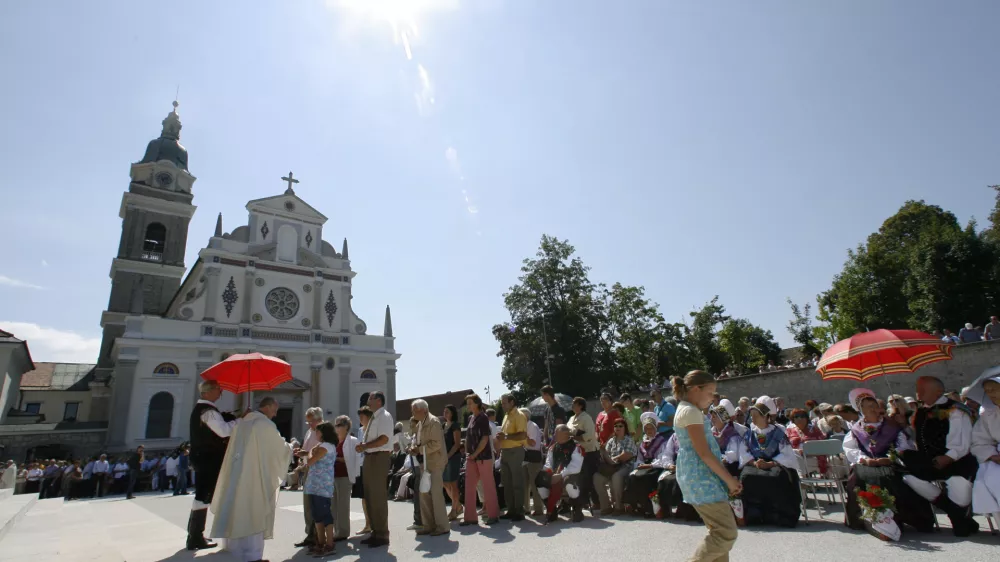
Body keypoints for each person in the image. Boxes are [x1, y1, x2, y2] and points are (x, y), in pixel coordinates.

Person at [209, 397, 292, 562]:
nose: (275, 415)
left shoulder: (242, 422)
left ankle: (236, 550)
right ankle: (253, 555)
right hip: (255, 476)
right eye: (275, 410)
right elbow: (279, 448)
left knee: (238, 510)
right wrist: (291, 447)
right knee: (255, 512)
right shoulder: (264, 425)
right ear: (267, 407)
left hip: (238, 475)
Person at [672, 370, 742, 562]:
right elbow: (703, 453)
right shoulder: (690, 411)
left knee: (718, 533)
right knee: (726, 533)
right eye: (710, 392)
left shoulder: (687, 409)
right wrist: (729, 480)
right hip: (701, 478)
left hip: (698, 476)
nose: (713, 398)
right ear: (696, 388)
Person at [842, 387, 932, 534]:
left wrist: (891, 457)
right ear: (861, 410)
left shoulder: (892, 425)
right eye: (868, 406)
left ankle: (901, 517)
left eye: (874, 405)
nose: (872, 409)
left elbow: (904, 445)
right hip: (867, 464)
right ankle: (869, 517)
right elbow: (850, 449)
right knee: (859, 477)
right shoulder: (856, 430)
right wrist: (865, 460)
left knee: (896, 477)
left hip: (891, 462)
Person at [901, 376, 980, 536]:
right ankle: (954, 512)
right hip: (930, 461)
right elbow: (918, 437)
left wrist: (949, 457)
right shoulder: (920, 412)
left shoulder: (956, 410)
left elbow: (962, 441)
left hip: (956, 461)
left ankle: (959, 518)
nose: (918, 393)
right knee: (907, 476)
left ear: (938, 392)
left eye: (922, 389)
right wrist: (903, 424)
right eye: (918, 389)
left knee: (957, 482)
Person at [187, 380, 240, 551]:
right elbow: (223, 431)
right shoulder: (208, 411)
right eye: (218, 390)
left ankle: (194, 534)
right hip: (209, 458)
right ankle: (195, 537)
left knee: (202, 495)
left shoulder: (204, 410)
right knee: (203, 495)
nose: (221, 392)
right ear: (207, 392)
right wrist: (238, 421)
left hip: (203, 457)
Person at [737, 398, 801, 527]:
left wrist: (771, 464)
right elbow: (743, 452)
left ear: (766, 417)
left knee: (778, 477)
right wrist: (754, 463)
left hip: (776, 464)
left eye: (756, 416)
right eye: (752, 416)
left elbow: (787, 454)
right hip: (755, 464)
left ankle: (779, 515)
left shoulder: (778, 433)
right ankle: (754, 515)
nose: (752, 419)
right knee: (747, 477)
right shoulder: (749, 434)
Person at [356, 390, 394, 548]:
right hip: (370, 457)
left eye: (371, 398)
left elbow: (384, 439)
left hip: (379, 456)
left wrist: (365, 446)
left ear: (379, 401)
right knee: (370, 496)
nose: (368, 400)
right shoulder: (373, 417)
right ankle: (375, 531)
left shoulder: (384, 416)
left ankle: (382, 534)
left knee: (377, 496)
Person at [410, 399, 450, 536]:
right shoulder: (420, 423)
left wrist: (419, 450)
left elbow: (436, 444)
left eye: (415, 410)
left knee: (436, 494)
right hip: (425, 463)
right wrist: (414, 448)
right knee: (424, 493)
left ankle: (442, 526)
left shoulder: (433, 422)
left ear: (424, 411)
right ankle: (428, 525)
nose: (413, 413)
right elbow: (419, 441)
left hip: (435, 462)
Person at [462, 393, 500, 527]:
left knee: (487, 485)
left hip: (484, 457)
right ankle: (470, 517)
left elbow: (484, 439)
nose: (468, 405)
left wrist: (475, 453)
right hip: (472, 458)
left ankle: (493, 515)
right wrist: (468, 453)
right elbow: (468, 437)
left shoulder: (483, 418)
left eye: (470, 403)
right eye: (468, 403)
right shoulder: (471, 418)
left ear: (477, 403)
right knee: (469, 486)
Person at [301, 421, 338, 557]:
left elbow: (310, 461)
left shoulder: (326, 446)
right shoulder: (323, 445)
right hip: (315, 485)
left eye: (318, 431)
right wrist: (312, 451)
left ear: (324, 433)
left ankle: (329, 544)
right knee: (317, 515)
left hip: (322, 486)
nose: (315, 433)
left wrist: (311, 452)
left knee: (324, 514)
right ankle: (321, 543)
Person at [537, 424, 586, 523]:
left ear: (565, 435)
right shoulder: (553, 447)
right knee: (540, 480)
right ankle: (552, 510)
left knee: (569, 484)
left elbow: (575, 467)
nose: (554, 435)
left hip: (574, 475)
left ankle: (578, 511)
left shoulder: (576, 447)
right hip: (556, 474)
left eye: (556, 433)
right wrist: (549, 473)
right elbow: (548, 463)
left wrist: (560, 475)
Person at [970, 369, 1000, 521]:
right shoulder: (987, 413)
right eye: (987, 391)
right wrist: (993, 456)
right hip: (997, 457)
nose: (991, 394)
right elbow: (979, 440)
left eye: (994, 389)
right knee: (987, 480)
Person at [293, 407, 324, 549]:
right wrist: (301, 454)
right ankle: (310, 535)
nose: (309, 424)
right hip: (308, 469)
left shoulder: (324, 432)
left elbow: (320, 452)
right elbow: (307, 450)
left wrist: (305, 453)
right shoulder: (309, 432)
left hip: (319, 471)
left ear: (319, 420)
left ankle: (319, 536)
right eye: (308, 422)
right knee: (307, 504)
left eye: (311, 421)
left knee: (316, 504)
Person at [625, 414, 668, 517]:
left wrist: (649, 466)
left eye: (651, 428)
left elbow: (662, 459)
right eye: (646, 428)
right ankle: (637, 505)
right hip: (644, 466)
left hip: (656, 467)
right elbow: (639, 458)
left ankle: (651, 508)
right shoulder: (642, 443)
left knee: (644, 477)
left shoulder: (662, 441)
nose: (649, 430)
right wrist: (640, 465)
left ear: (655, 428)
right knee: (632, 476)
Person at [593, 417, 636, 515]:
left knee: (616, 477)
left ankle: (618, 506)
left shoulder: (629, 440)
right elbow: (606, 454)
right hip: (611, 467)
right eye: (616, 426)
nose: (618, 427)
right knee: (597, 477)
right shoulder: (611, 441)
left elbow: (627, 456)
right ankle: (606, 506)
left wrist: (613, 459)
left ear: (625, 428)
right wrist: (603, 453)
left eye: (620, 426)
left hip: (626, 466)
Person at [497, 393, 528, 521]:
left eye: (504, 403)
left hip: (516, 451)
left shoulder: (519, 415)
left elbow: (522, 435)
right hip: (505, 452)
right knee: (507, 483)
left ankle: (519, 511)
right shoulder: (506, 416)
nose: (502, 405)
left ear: (512, 402)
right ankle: (511, 510)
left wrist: (506, 437)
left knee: (517, 483)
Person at [566, 396, 600, 513]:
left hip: (589, 452)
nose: (572, 406)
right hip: (577, 452)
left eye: (574, 404)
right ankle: (583, 501)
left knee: (589, 478)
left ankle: (597, 502)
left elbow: (589, 436)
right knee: (580, 477)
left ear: (580, 405)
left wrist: (574, 437)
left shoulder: (586, 418)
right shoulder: (571, 418)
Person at [331, 415, 361, 542]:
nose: (336, 427)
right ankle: (336, 530)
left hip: (345, 476)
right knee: (334, 506)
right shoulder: (334, 441)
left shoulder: (352, 441)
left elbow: (353, 459)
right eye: (336, 425)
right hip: (333, 476)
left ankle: (343, 532)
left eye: (338, 425)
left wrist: (336, 458)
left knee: (343, 506)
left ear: (345, 427)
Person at [440, 404, 463, 521]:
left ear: (452, 413)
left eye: (447, 411)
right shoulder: (443, 425)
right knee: (444, 482)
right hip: (444, 457)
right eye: (444, 411)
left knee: (453, 484)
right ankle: (458, 505)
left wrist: (448, 456)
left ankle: (454, 509)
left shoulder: (455, 426)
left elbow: (457, 444)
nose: (445, 413)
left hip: (453, 457)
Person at [521, 407, 546, 516]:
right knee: (525, 484)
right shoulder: (524, 426)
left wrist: (523, 436)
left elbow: (531, 443)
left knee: (535, 484)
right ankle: (526, 508)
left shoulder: (532, 426)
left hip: (533, 457)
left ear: (525, 416)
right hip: (525, 456)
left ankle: (539, 508)